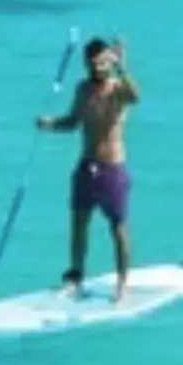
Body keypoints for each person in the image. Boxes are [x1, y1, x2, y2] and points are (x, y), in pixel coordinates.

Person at [35, 36, 140, 300]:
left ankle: (123, 283)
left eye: (102, 61)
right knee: (79, 223)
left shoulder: (118, 90)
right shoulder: (83, 88)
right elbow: (73, 122)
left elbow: (135, 96)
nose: (97, 67)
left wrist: (121, 67)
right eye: (92, 62)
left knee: (118, 228)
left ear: (109, 61)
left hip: (112, 168)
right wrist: (49, 124)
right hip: (86, 166)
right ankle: (76, 278)